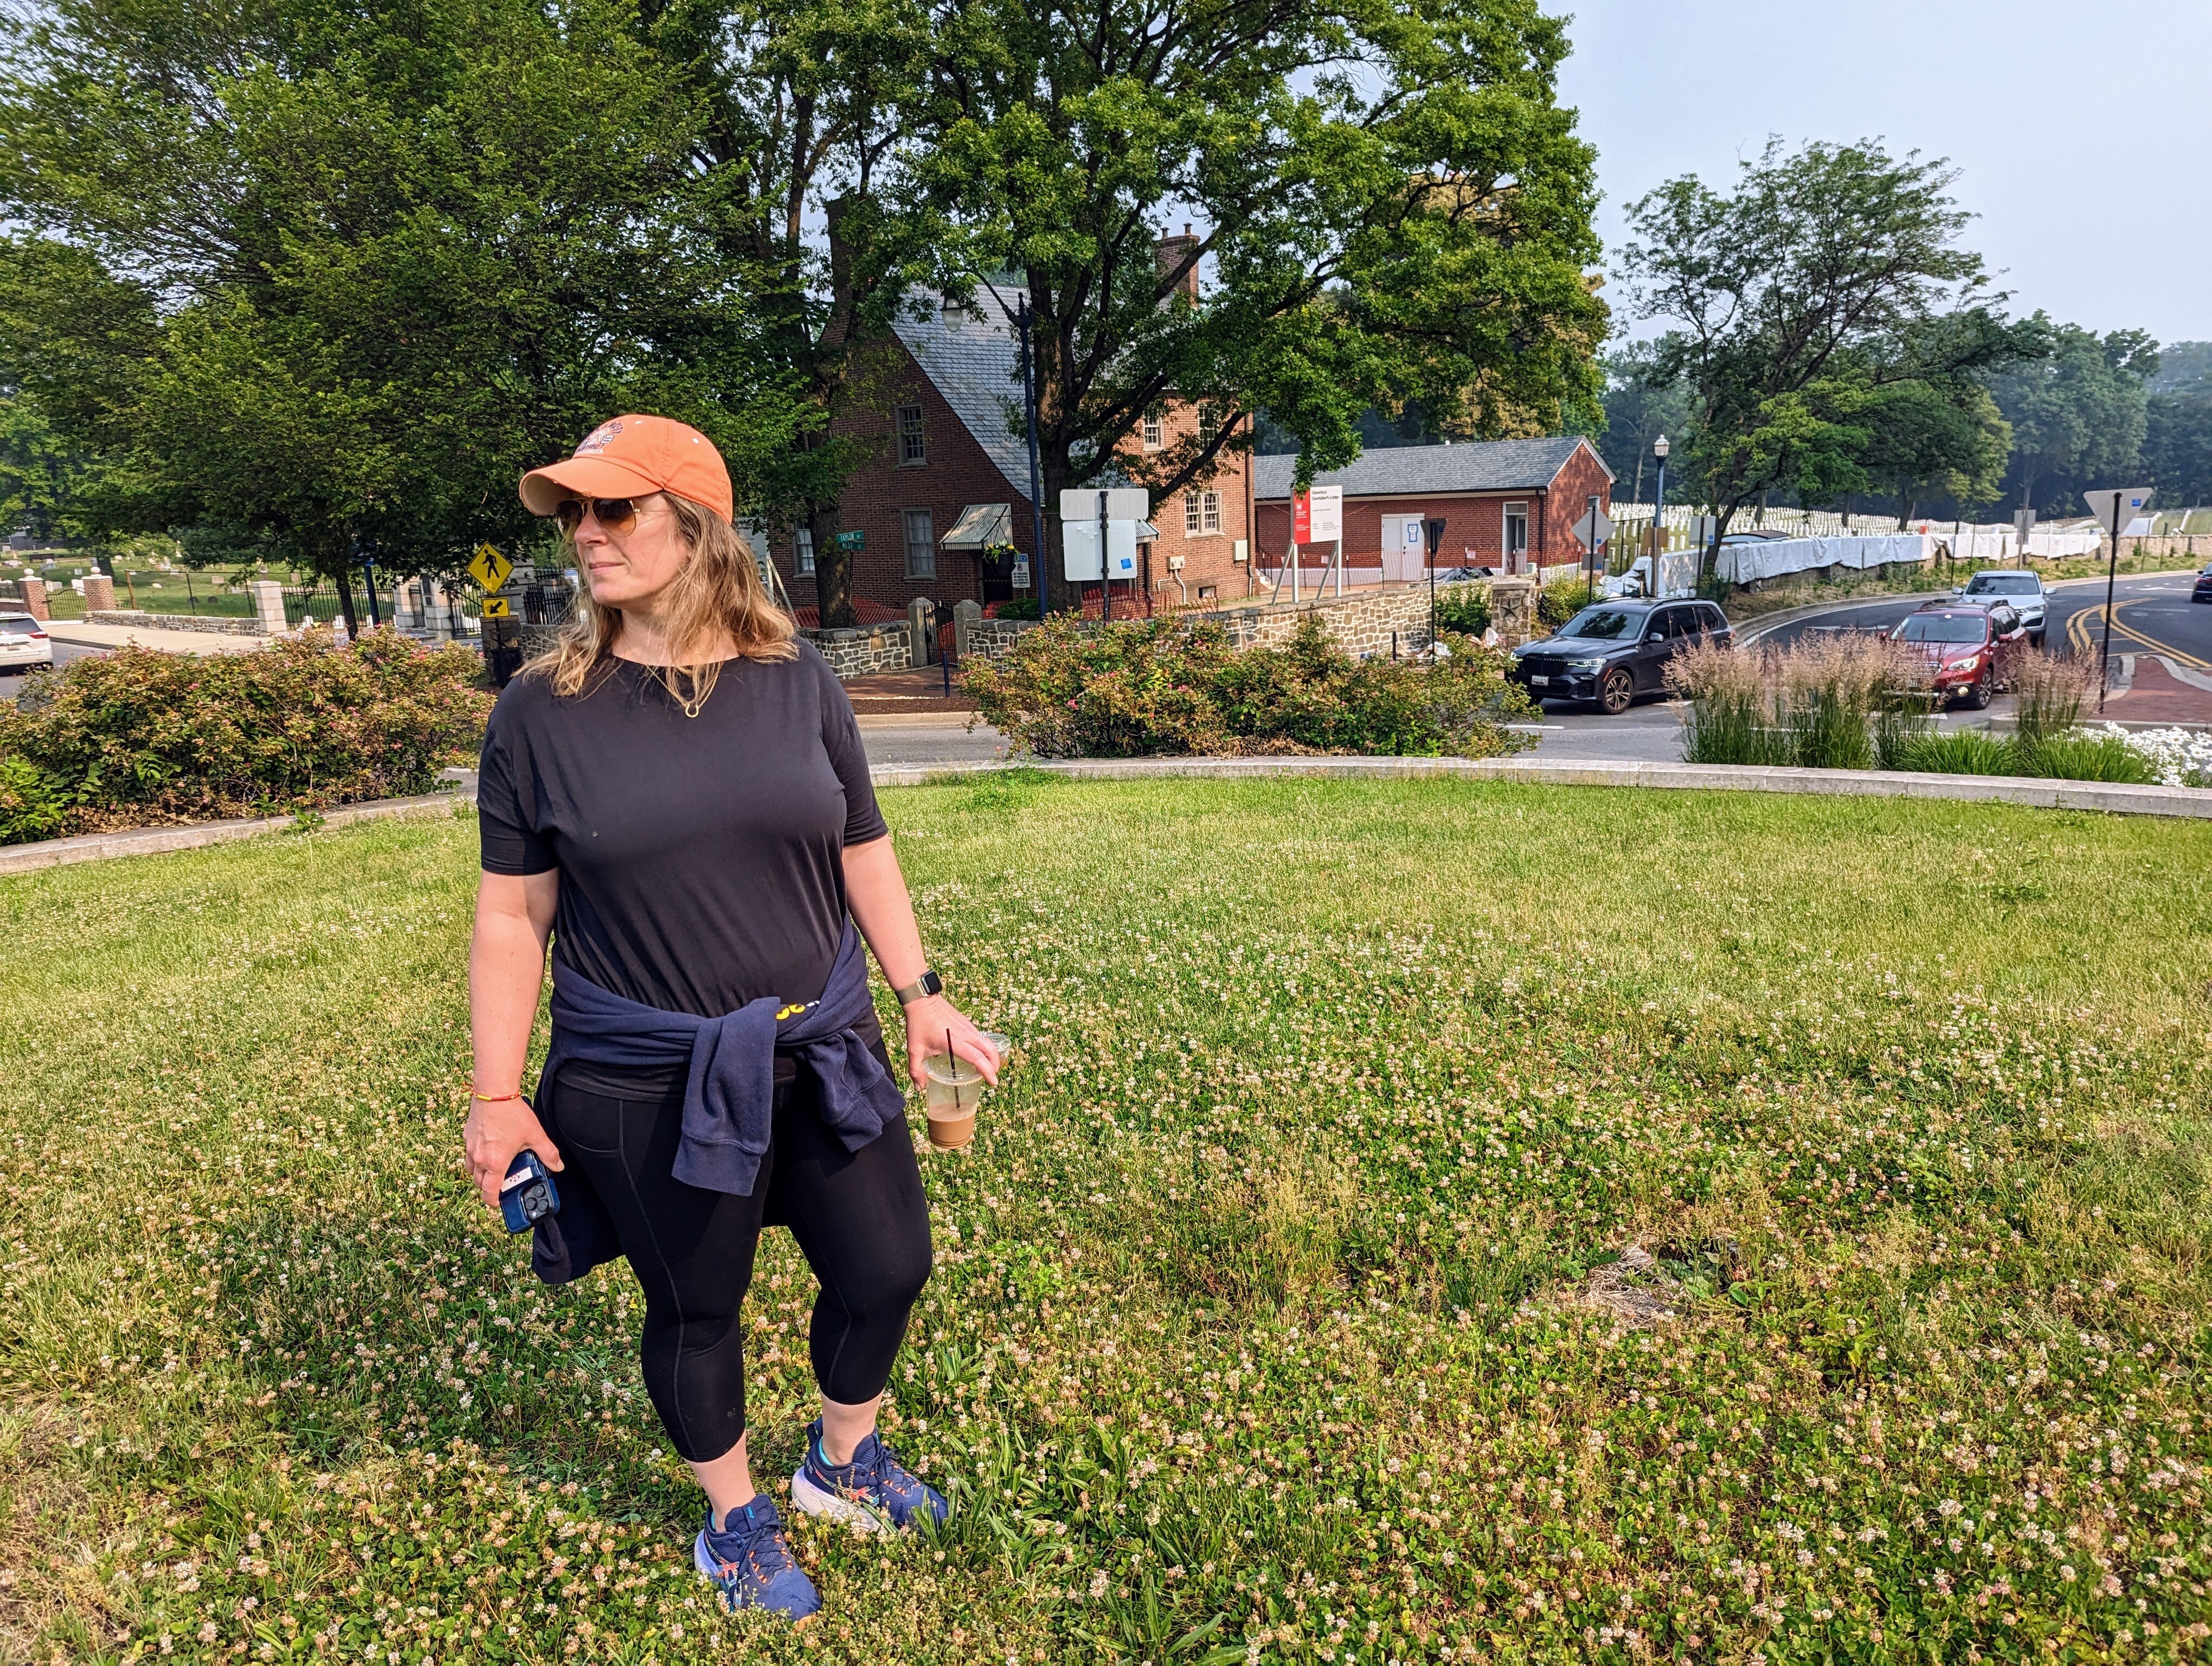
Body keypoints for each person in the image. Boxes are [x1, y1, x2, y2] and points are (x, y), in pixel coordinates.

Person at [464, 414, 1000, 1624]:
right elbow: (512, 921)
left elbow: (863, 843)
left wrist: (921, 998)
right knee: (699, 1309)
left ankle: (840, 1463)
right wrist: (498, 1096)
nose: (586, 536)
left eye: (617, 509)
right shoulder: (539, 716)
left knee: (887, 1269)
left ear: (697, 526)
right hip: (644, 1075)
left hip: (823, 1047)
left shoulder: (798, 679)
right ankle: (733, 1521)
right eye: (573, 515)